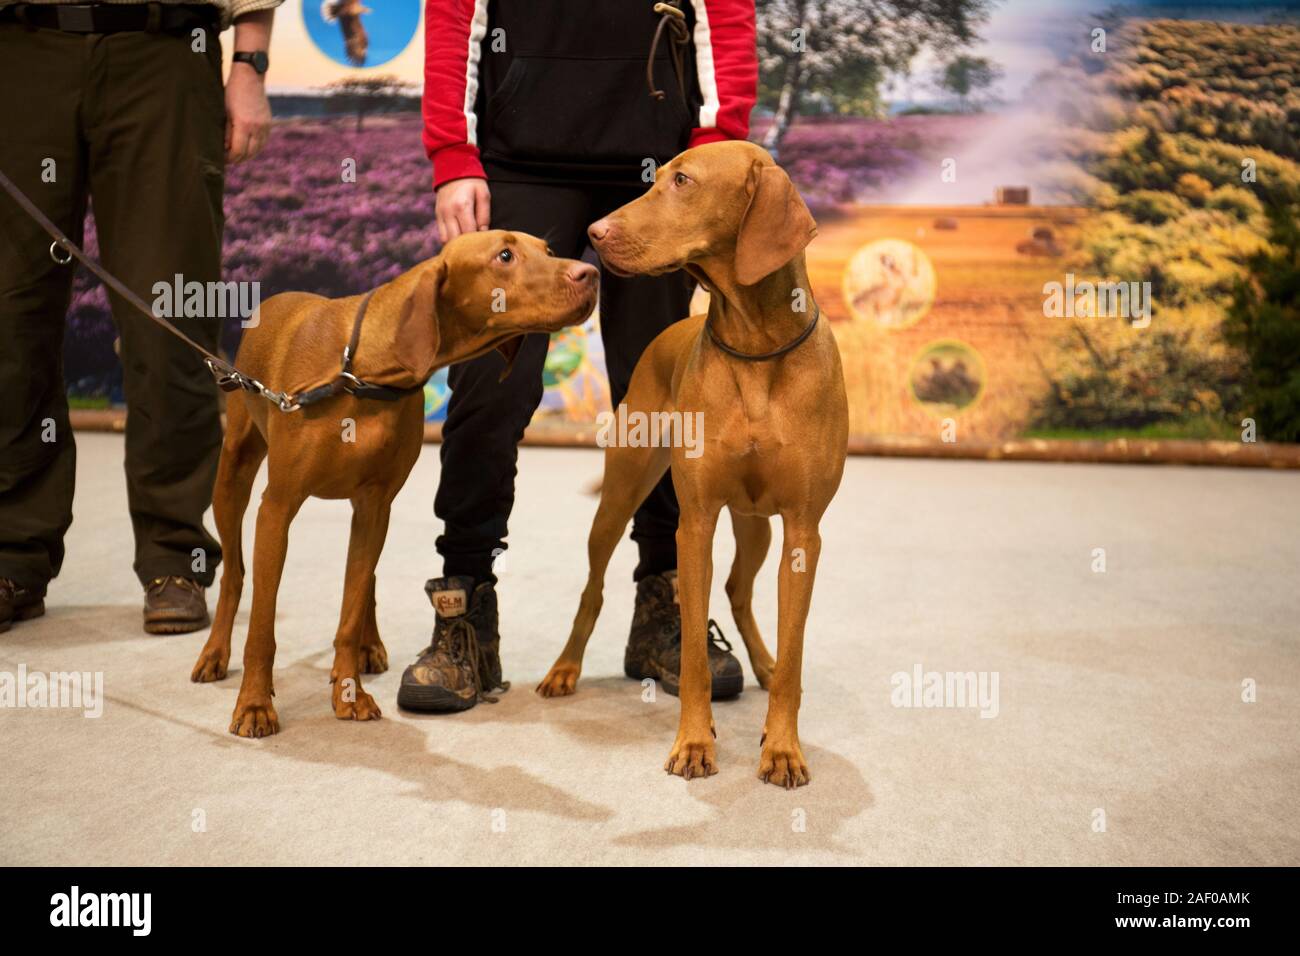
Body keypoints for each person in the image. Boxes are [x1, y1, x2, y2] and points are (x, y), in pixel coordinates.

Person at [399, 0, 758, 712]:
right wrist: (453, 155)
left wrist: (714, 156)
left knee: (662, 399)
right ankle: (463, 607)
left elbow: (727, 17)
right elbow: (453, 12)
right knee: (488, 391)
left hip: (660, 172)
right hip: (519, 163)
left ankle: (666, 603)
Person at [0, 0, 279, 634]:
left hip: (166, 50)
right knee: (9, 319)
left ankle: (175, 554)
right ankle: (12, 552)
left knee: (170, 317)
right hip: (19, 50)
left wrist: (250, 63)